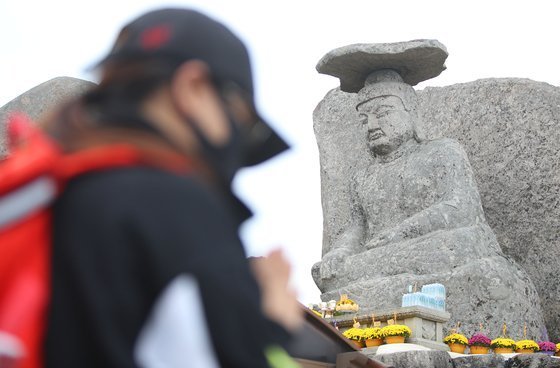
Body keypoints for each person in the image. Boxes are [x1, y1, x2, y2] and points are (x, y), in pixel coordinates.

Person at [40, 8, 302, 368]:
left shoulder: (45, 195)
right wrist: (273, 323)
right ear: (192, 87)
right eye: (242, 121)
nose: (236, 147)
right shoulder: (177, 208)